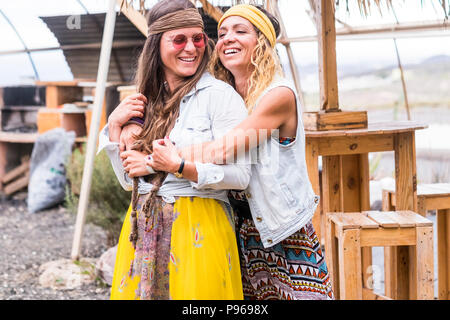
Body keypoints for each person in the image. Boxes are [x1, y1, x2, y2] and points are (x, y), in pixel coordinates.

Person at [147, 4, 334, 300]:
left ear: (262, 41)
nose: (228, 38)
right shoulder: (223, 94)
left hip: (281, 229)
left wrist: (163, 160)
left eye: (240, 31)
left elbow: (223, 149)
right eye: (222, 33)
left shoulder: (278, 95)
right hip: (242, 228)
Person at [99, 0, 251, 300]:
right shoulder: (144, 103)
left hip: (200, 227)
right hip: (142, 226)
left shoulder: (220, 97)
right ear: (157, 45)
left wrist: (175, 164)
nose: (191, 48)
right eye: (179, 39)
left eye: (197, 38)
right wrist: (114, 127)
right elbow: (127, 182)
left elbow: (241, 176)